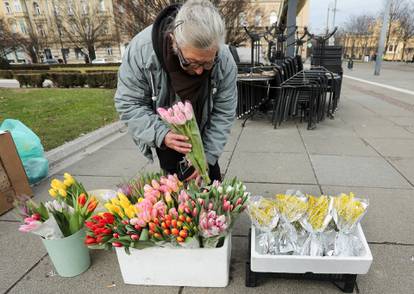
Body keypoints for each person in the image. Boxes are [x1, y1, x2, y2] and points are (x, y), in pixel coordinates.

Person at [114, 0, 237, 182]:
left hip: (204, 131)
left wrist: (208, 156)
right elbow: (129, 103)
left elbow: (224, 113)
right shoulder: (142, 51)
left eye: (207, 63)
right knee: (172, 193)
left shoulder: (225, 61)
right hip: (165, 133)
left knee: (210, 184)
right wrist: (161, 134)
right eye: (191, 62)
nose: (199, 71)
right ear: (173, 41)